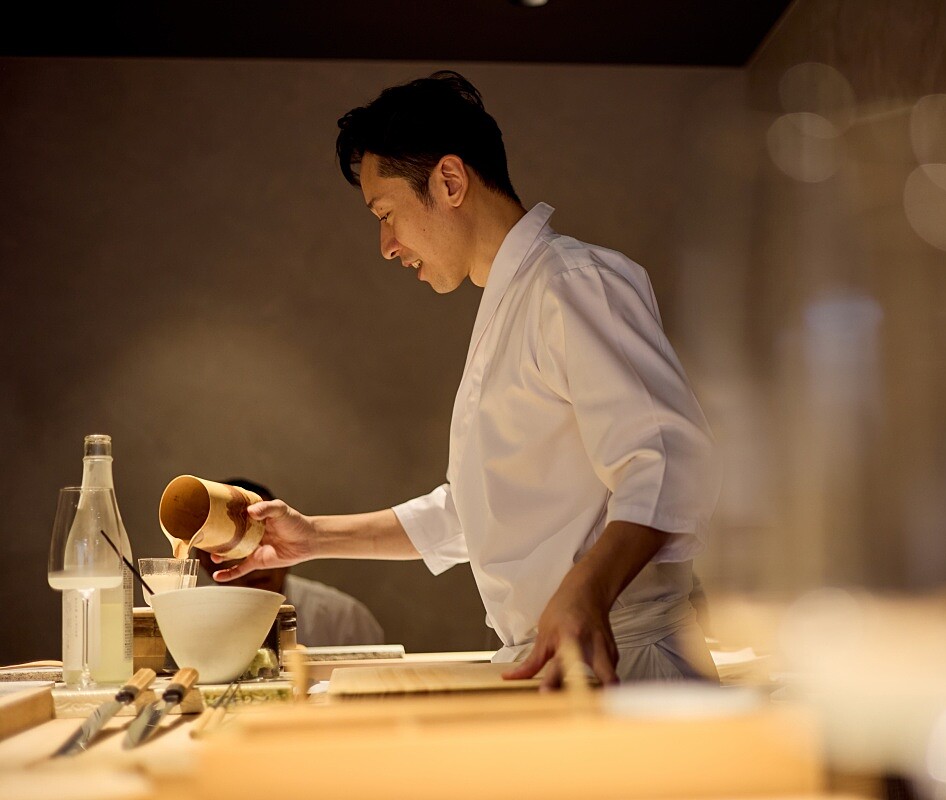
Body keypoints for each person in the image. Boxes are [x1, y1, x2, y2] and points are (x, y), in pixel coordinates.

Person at [213, 70, 722, 688]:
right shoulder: (509, 303)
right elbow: (477, 507)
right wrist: (311, 536)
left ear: (449, 182)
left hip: (626, 658)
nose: (386, 244)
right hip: (558, 659)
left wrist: (584, 591)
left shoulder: (572, 282)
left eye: (386, 212)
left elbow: (666, 461)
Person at [200, 478, 385, 648]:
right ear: (204, 559)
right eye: (234, 542)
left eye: (262, 533)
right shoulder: (186, 620)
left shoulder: (344, 618)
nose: (253, 554)